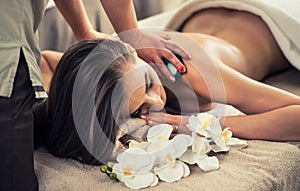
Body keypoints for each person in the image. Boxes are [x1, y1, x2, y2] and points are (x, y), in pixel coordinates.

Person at [0, 0, 188, 191]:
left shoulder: (170, 70)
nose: (157, 104)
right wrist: (131, 34)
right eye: (135, 111)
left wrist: (84, 31)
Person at [35, 29, 300, 167]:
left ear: (132, 50)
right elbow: (47, 60)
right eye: (138, 110)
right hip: (192, 20)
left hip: (269, 28)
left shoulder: (190, 71)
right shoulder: (103, 72)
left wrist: (206, 124)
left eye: (149, 83)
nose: (157, 103)